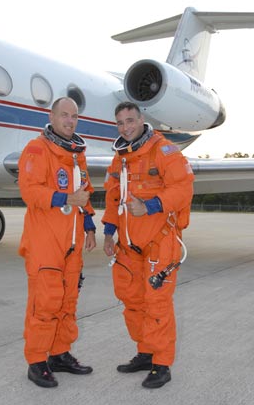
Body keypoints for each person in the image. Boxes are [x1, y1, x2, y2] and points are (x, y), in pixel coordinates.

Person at [102, 101, 194, 389]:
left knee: (157, 305)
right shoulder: (120, 157)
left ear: (141, 120)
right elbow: (113, 196)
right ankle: (145, 352)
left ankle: (162, 364)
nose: (126, 127)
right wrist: (108, 231)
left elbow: (183, 189)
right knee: (132, 301)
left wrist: (152, 205)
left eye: (130, 120)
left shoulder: (164, 150)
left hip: (159, 241)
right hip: (129, 244)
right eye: (120, 123)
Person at [18, 97, 96, 388]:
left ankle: (60, 354)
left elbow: (85, 191)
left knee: (68, 300)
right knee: (45, 302)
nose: (69, 121)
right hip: (45, 241)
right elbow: (30, 191)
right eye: (64, 115)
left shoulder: (76, 154)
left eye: (74, 117)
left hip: (72, 242)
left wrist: (89, 224)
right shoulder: (37, 149)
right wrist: (65, 199)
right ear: (51, 117)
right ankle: (37, 361)